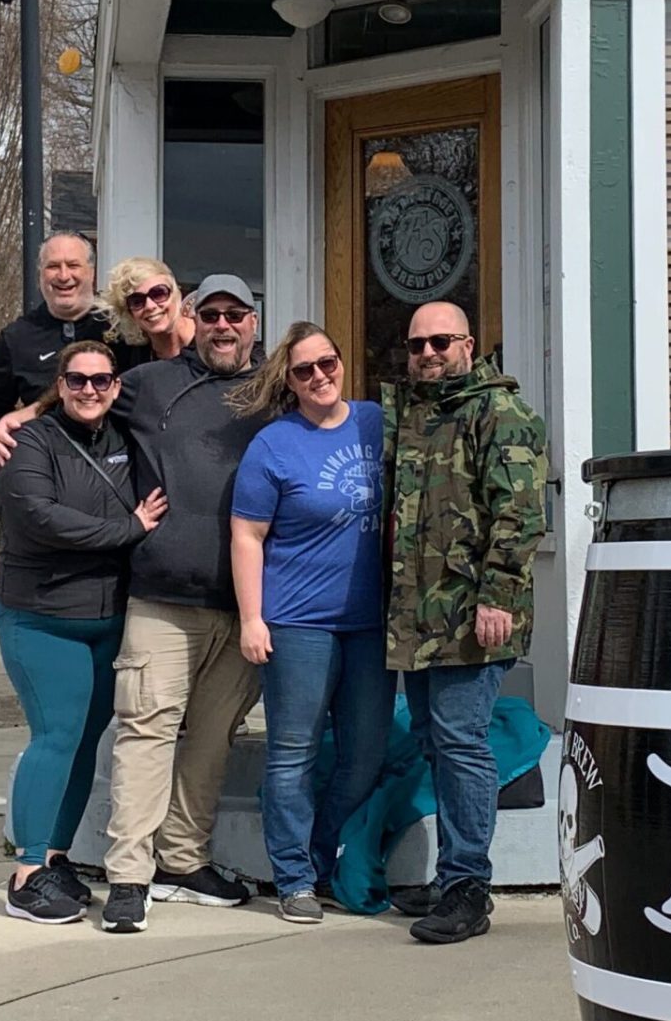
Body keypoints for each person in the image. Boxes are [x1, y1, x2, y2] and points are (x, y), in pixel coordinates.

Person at [98, 273, 270, 934]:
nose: (224, 326)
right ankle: (128, 877)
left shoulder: (277, 391)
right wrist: (10, 423)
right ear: (195, 319)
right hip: (163, 598)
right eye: (213, 314)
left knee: (212, 738)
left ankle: (183, 859)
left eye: (237, 314)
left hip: (246, 609)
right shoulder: (150, 385)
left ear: (254, 322)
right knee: (147, 731)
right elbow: (77, 411)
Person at [383, 300, 548, 945]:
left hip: (471, 616)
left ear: (468, 344)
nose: (428, 353)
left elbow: (520, 513)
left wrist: (498, 598)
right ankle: (453, 873)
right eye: (418, 344)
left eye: (441, 342)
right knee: (435, 743)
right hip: (418, 620)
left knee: (461, 745)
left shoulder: (497, 412)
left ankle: (468, 887)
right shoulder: (417, 417)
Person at [0, 338, 168, 923]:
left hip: (108, 618)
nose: (89, 390)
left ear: (116, 386)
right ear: (58, 386)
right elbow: (41, 519)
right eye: (76, 380)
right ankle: (26, 872)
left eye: (101, 380)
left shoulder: (124, 437)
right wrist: (129, 528)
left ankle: (56, 859)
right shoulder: (30, 442)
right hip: (43, 619)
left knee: (85, 744)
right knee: (55, 738)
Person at [228, 323, 391, 924]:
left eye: (328, 362)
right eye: (304, 370)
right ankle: (293, 877)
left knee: (365, 754)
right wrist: (252, 617)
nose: (320, 375)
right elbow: (246, 535)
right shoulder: (274, 445)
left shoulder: (376, 423)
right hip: (297, 623)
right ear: (288, 381)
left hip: (373, 625)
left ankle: (320, 859)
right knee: (292, 755)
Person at [0, 232, 108, 464]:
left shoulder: (120, 328)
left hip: (118, 471)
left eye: (73, 265)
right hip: (50, 470)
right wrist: (13, 453)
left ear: (92, 272)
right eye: (53, 266)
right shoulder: (17, 337)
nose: (64, 276)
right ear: (40, 276)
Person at [103, 256, 194, 364]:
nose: (150, 306)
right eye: (137, 301)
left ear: (176, 295)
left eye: (158, 293)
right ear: (130, 314)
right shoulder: (136, 358)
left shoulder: (209, 335)